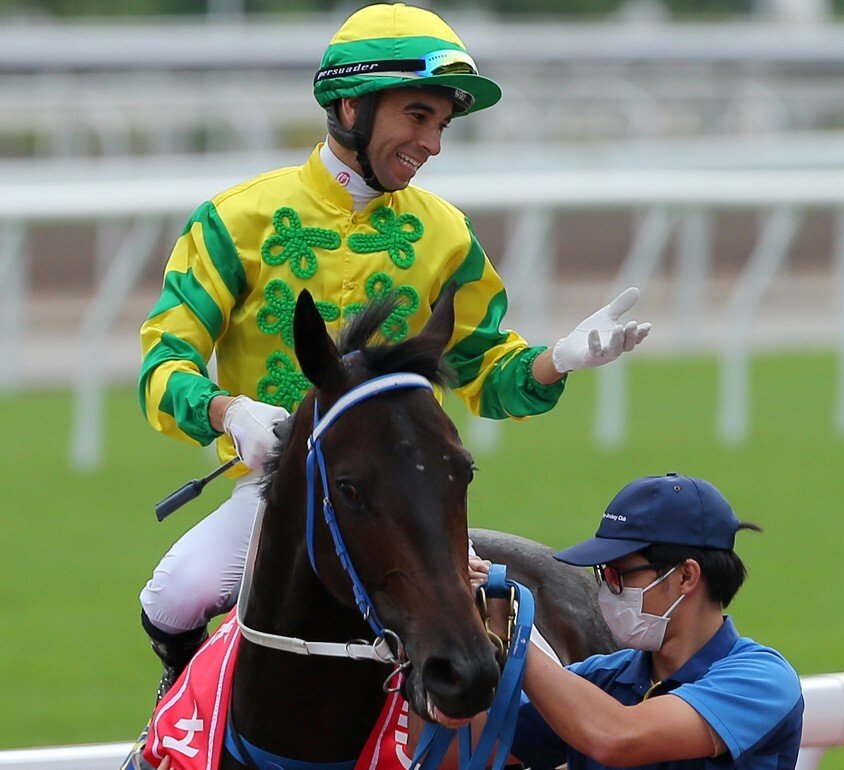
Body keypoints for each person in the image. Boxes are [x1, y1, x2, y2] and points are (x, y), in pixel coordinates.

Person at [136, 2, 650, 701]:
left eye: (440, 125)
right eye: (418, 116)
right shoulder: (234, 221)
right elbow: (162, 367)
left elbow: (486, 374)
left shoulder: (447, 235)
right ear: (350, 107)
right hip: (287, 495)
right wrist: (230, 412)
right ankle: (183, 714)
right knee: (175, 593)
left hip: (412, 500)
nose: (432, 143)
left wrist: (554, 359)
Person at [479, 473, 803, 769]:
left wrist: (515, 634)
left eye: (618, 574)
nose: (606, 590)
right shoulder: (601, 678)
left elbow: (617, 737)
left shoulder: (762, 680)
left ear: (686, 576)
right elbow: (462, 748)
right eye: (602, 574)